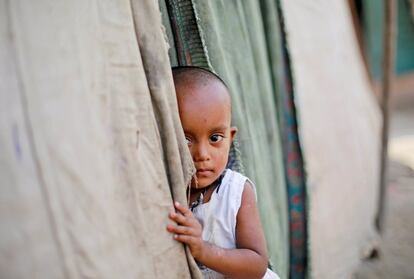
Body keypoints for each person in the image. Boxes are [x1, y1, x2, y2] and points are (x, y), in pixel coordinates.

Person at [167, 66, 279, 279]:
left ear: (231, 137)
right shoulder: (167, 192)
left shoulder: (236, 192)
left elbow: (256, 263)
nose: (202, 154)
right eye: (185, 139)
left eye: (215, 138)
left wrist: (202, 249)